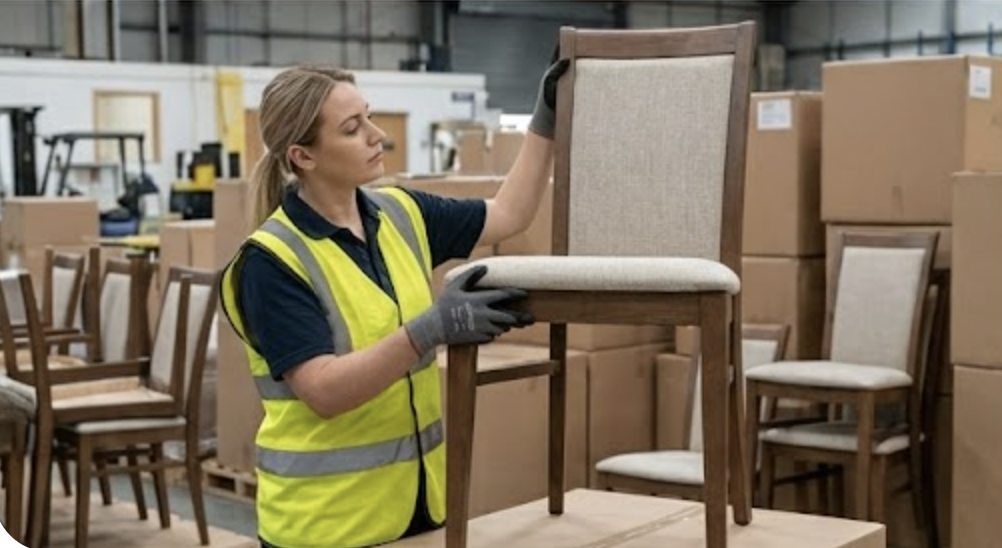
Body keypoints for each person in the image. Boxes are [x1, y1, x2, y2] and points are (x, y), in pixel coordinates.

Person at [219, 58, 567, 548]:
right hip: (325, 526)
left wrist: (545, 119)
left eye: (369, 116)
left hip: (416, 510)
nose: (376, 134)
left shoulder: (401, 213)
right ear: (304, 156)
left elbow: (510, 213)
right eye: (352, 128)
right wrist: (430, 329)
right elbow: (323, 391)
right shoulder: (271, 261)